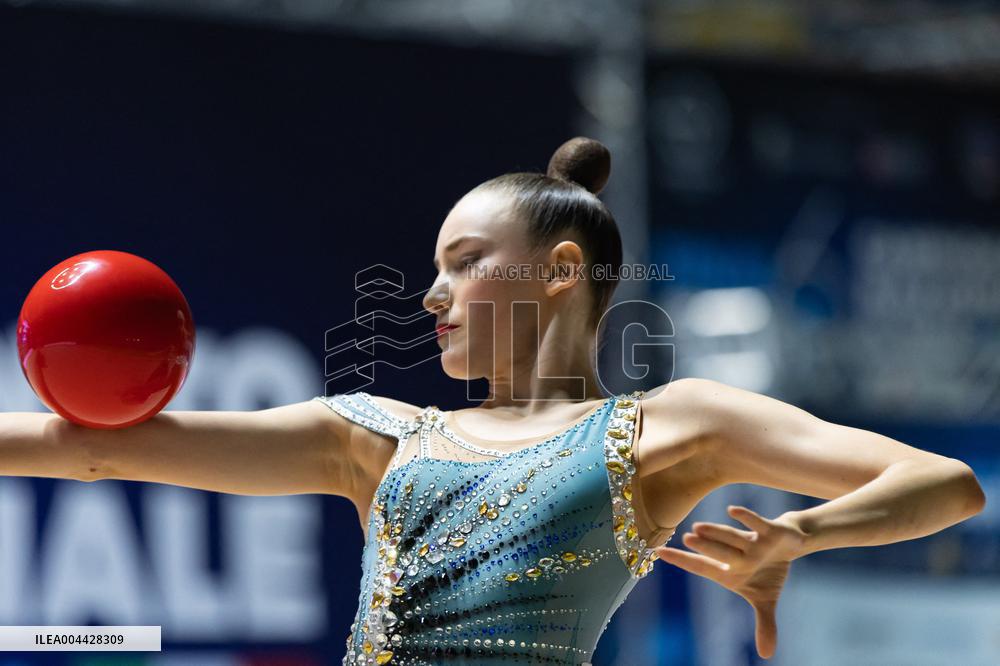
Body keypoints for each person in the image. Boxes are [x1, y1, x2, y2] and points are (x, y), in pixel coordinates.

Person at [0, 137, 985, 665]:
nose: (431, 296)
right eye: (434, 270)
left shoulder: (668, 425)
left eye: (464, 263)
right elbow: (90, 447)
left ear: (559, 271)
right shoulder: (373, 436)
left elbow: (944, 483)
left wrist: (800, 536)